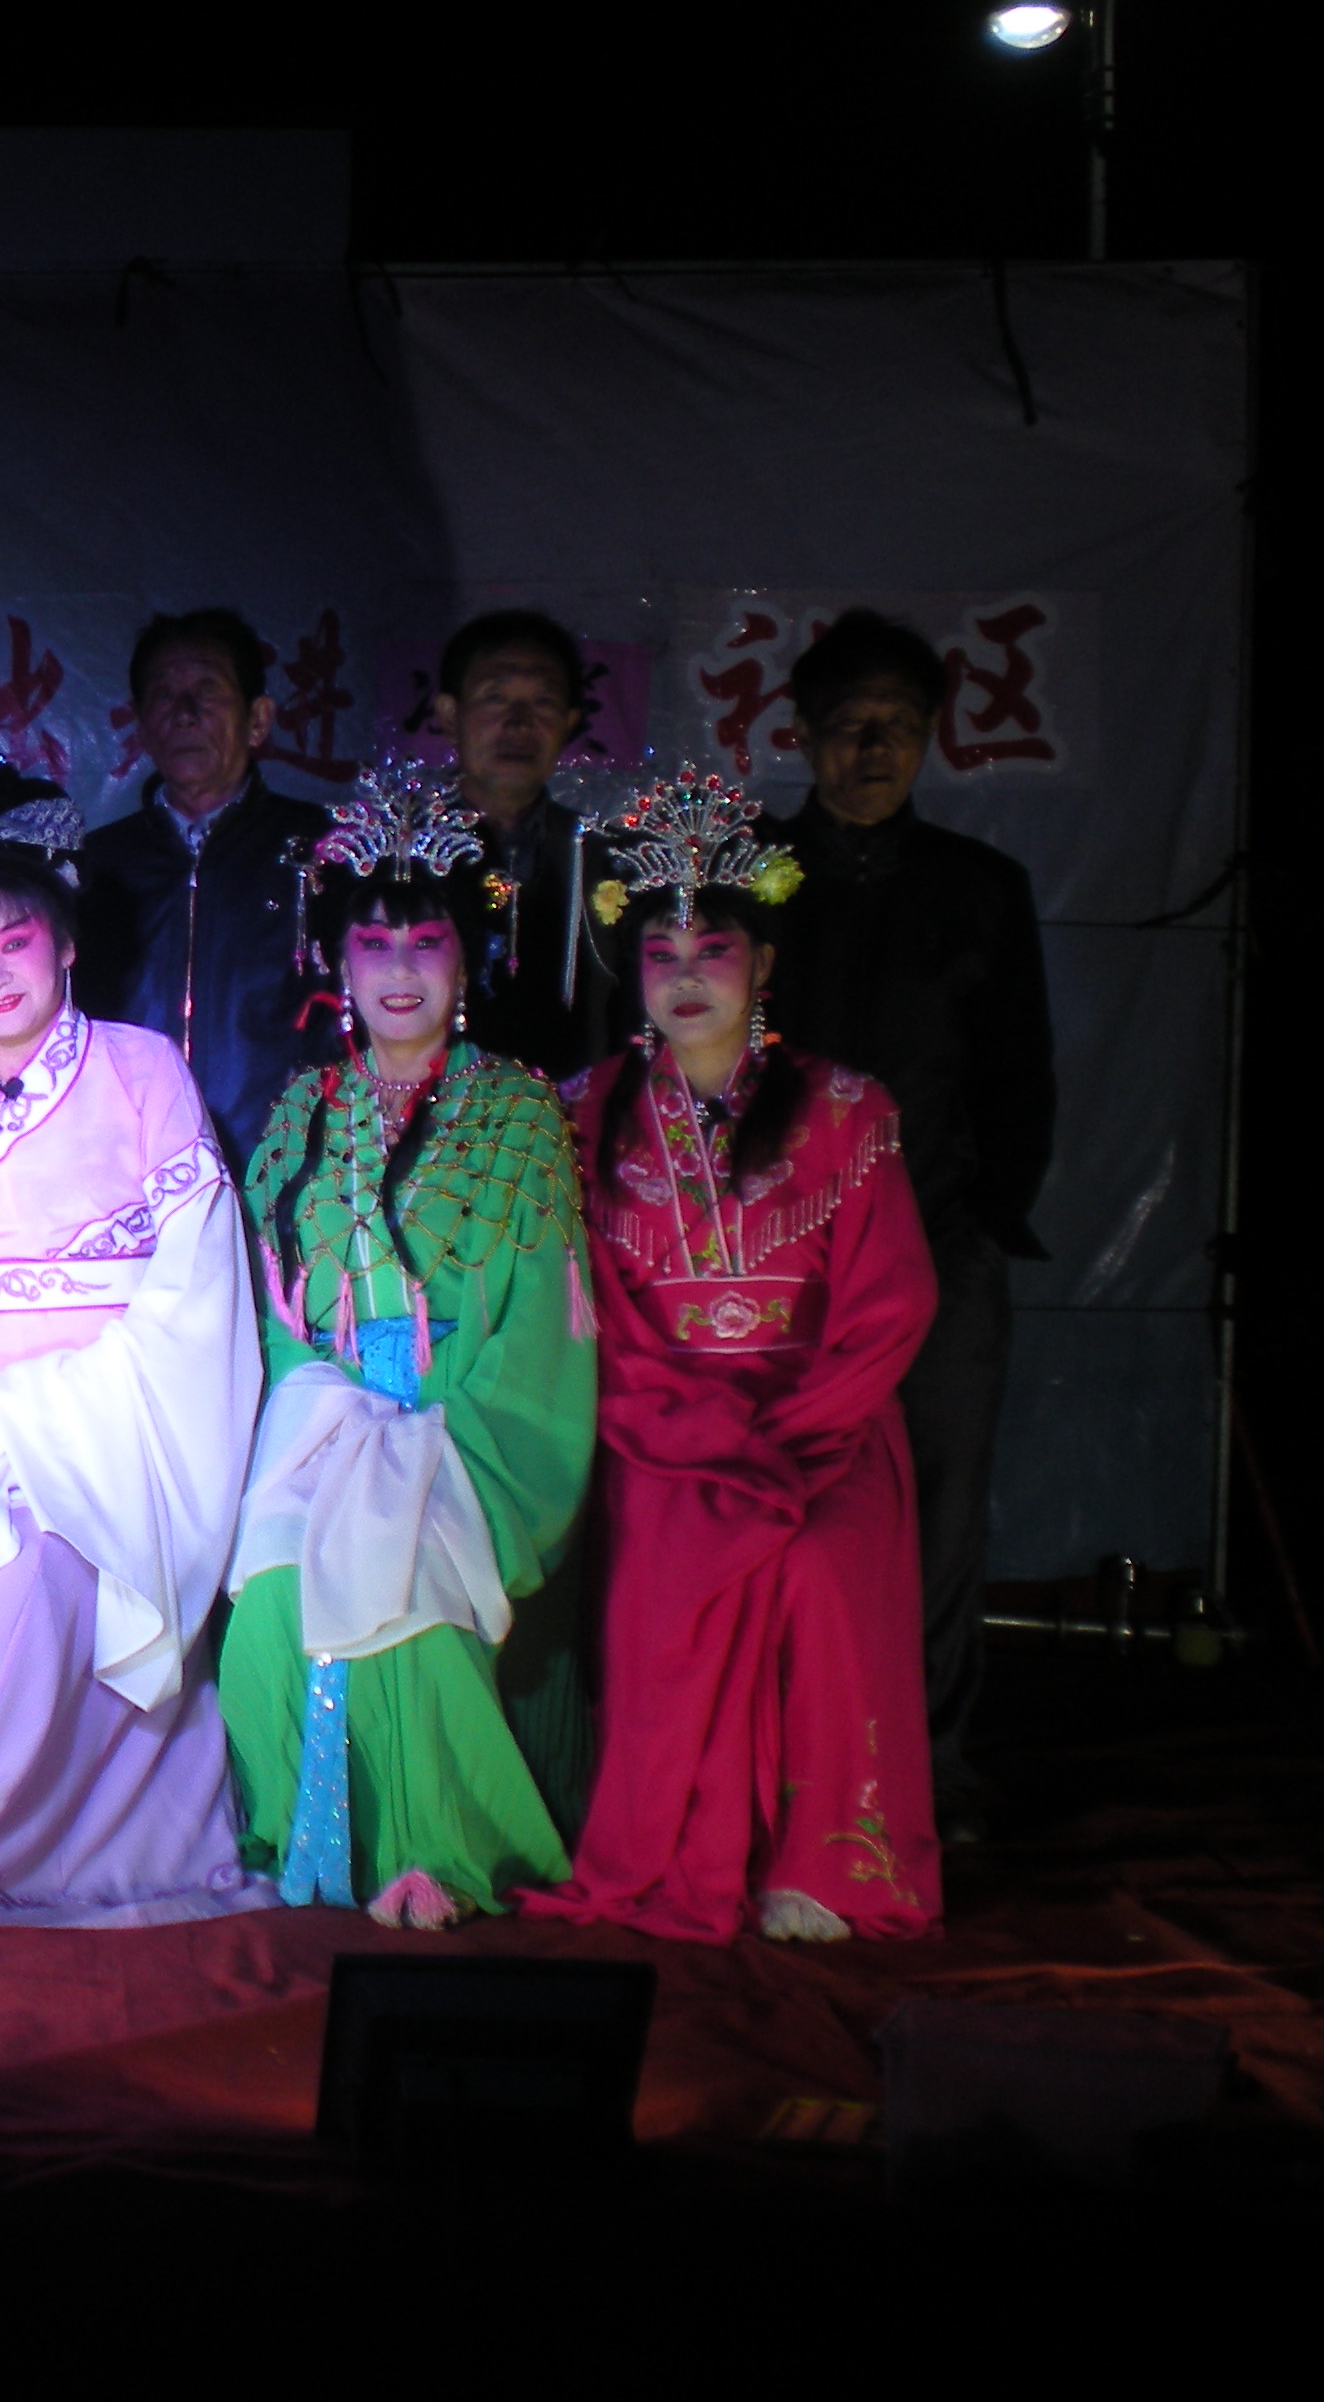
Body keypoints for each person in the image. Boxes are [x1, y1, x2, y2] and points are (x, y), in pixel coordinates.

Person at [0, 767, 272, 1940]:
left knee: (30, 1567)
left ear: (66, 943)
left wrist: (66, 1407)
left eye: (15, 940)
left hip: (123, 1411)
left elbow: (197, 1279)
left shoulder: (143, 1070)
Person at [525, 765, 941, 1943]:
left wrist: (790, 1437)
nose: (686, 977)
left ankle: (824, 1864)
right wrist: (692, 1432)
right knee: (672, 1573)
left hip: (823, 1419)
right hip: (657, 1425)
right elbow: (589, 1306)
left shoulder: (847, 1109)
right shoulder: (580, 1111)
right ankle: (683, 1853)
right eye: (661, 954)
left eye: (713, 951)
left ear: (762, 963)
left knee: (819, 1565)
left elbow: (891, 1302)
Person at [219, 771, 598, 1928]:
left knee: (409, 1596)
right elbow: (267, 1312)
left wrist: (433, 1437)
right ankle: (303, 1835)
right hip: (319, 1425)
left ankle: (439, 1847)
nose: (397, 969)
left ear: (466, 962)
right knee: (269, 1594)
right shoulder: (302, 1111)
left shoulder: (522, 1111)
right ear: (337, 963)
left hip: (461, 1432)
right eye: (373, 942)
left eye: (425, 942)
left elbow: (539, 1327)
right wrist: (325, 1411)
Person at [758, 609, 1052, 1843]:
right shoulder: (750, 877)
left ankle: (928, 1762)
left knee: (938, 1510)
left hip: (936, 1247)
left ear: (933, 737)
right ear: (802, 734)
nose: (872, 749)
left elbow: (1020, 1079)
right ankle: (780, 1757)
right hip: (771, 1263)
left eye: (897, 726)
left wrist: (975, 1221)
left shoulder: (980, 888)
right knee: (776, 1504)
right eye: (848, 725)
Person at [73, 608, 328, 1172]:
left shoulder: (323, 854)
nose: (184, 713)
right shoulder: (95, 865)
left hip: (282, 1170)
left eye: (207, 692)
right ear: (142, 725)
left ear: (257, 719)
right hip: (127, 1173)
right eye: (164, 695)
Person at [429, 608, 619, 1080]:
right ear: (449, 715)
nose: (518, 724)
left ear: (570, 722)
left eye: (543, 702)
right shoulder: (400, 855)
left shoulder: (603, 858)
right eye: (495, 698)